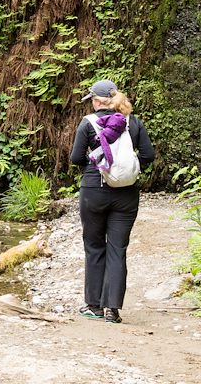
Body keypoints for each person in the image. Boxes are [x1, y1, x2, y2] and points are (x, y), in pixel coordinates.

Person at [70, 79, 155, 324]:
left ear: (97, 101)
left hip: (94, 189)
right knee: (117, 249)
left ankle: (94, 307)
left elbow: (76, 158)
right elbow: (148, 155)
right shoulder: (133, 123)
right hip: (126, 194)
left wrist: (96, 162)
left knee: (95, 247)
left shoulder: (88, 123)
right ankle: (112, 311)